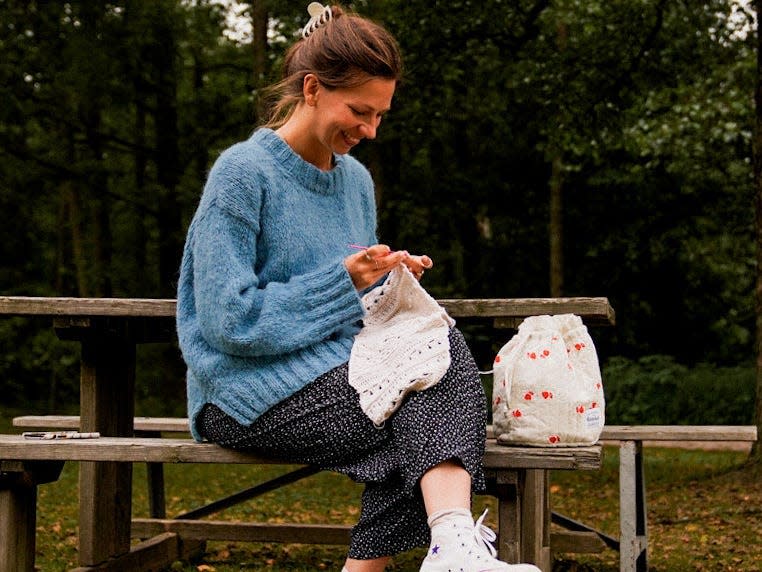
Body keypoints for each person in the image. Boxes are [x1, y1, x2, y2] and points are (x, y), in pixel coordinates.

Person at [176, 3, 541, 571]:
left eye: (380, 116)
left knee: (440, 368)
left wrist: (387, 284)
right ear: (312, 87)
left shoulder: (355, 183)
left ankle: (450, 549)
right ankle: (452, 548)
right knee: (428, 416)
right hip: (242, 391)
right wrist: (344, 282)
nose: (370, 130)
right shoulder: (242, 174)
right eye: (359, 111)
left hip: (343, 371)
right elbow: (229, 321)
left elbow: (356, 315)